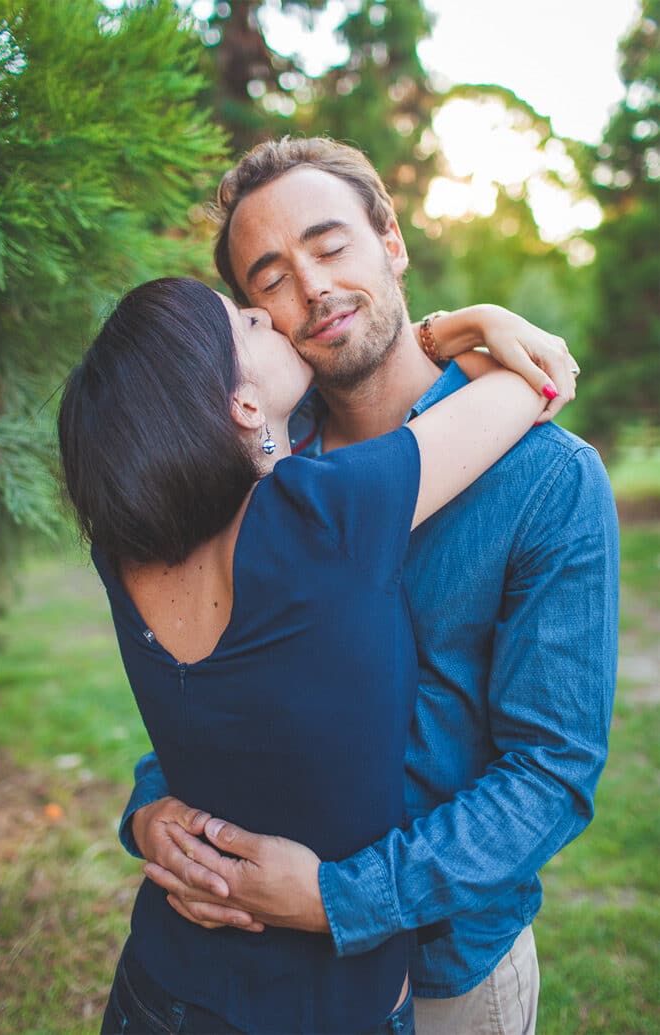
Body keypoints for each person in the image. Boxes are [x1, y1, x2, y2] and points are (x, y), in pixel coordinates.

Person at [122, 138, 619, 1035]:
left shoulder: (549, 480)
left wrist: (340, 897)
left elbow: (552, 771)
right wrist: (152, 806)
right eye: (269, 277)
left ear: (390, 241)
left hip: (445, 967)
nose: (311, 288)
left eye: (330, 244)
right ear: (253, 317)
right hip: (259, 975)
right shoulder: (254, 467)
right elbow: (204, 675)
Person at [59, 272, 551, 1034]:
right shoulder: (319, 513)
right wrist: (457, 324)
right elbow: (533, 382)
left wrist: (147, 811)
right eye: (246, 324)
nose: (266, 313)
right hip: (328, 1009)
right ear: (245, 406)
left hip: (160, 985)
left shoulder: (120, 555)